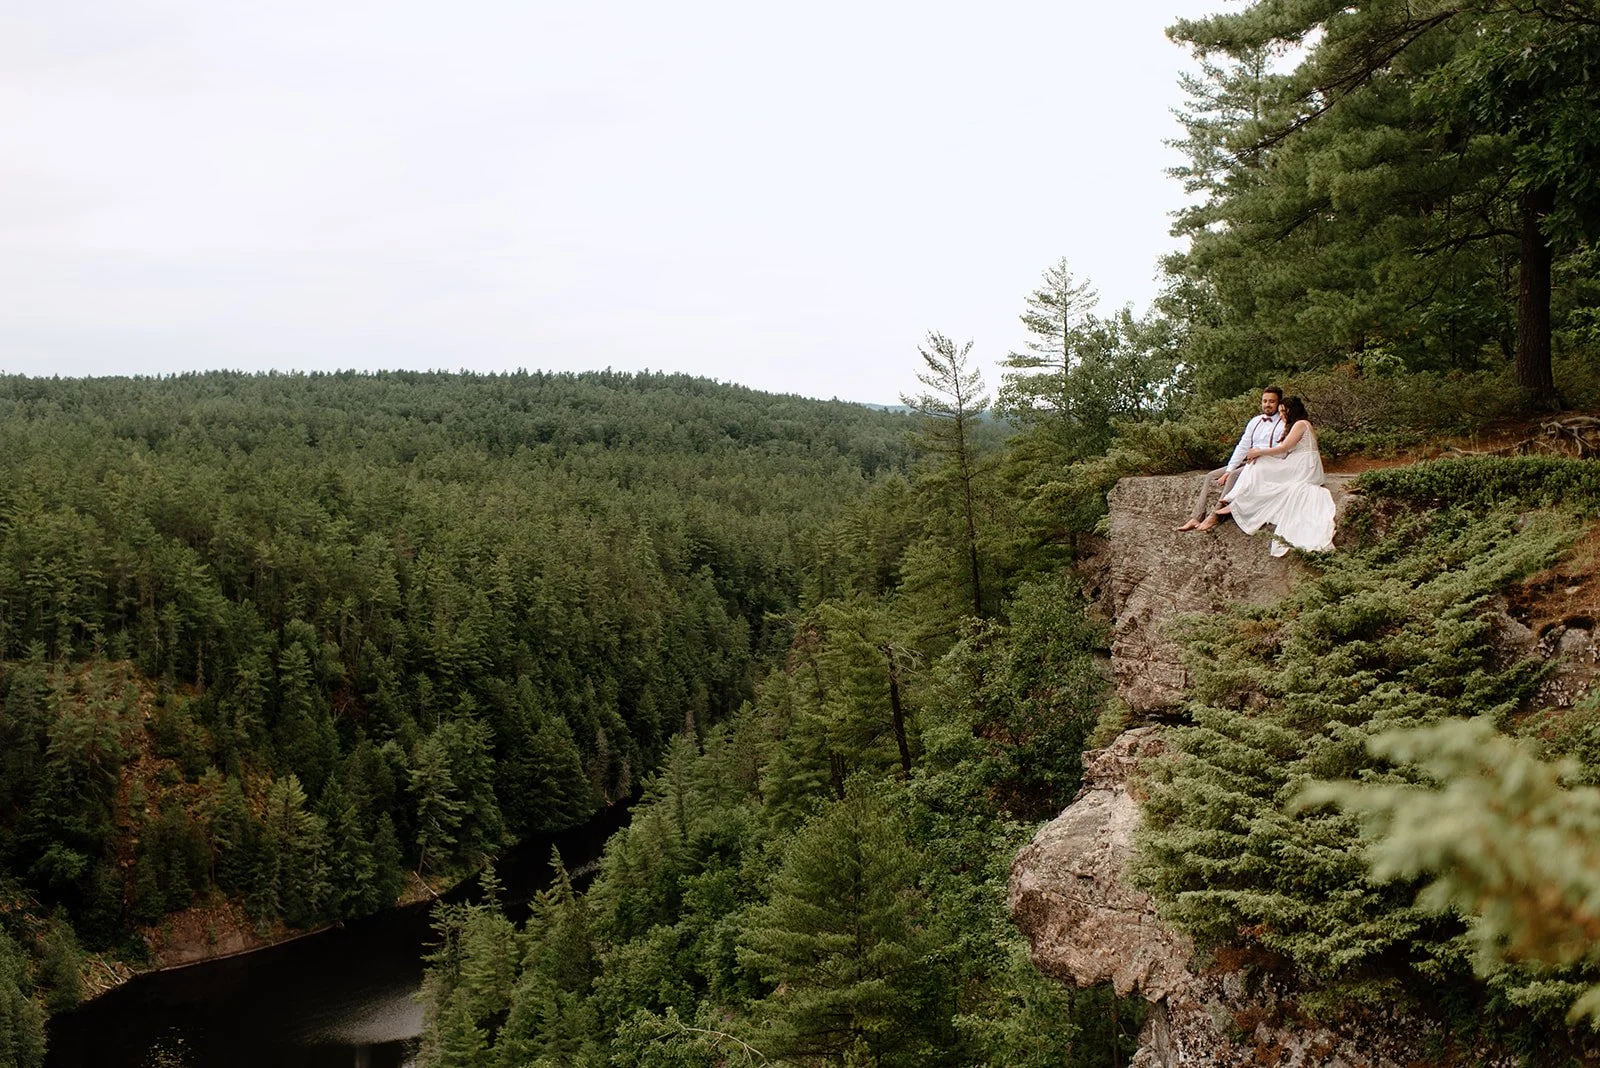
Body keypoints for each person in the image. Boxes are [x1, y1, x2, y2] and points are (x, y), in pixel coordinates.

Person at [1196, 396, 1335, 556]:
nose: (1281, 415)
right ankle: (1235, 501)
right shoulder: (1296, 425)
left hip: (1303, 466)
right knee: (1258, 464)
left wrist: (1259, 452)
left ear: (1292, 411)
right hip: (1298, 463)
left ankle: (1237, 502)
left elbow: (1284, 448)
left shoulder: (1300, 424)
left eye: (1284, 411)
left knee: (1259, 463)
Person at [1175, 387, 1284, 532]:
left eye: (1271, 401)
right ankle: (1196, 516)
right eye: (1264, 401)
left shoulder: (1284, 423)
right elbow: (1243, 446)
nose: (1267, 405)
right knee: (1211, 476)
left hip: (1267, 464)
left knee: (1234, 476)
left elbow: (1281, 450)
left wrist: (1256, 456)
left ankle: (1215, 516)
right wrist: (1229, 469)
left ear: (1279, 403)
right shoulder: (1255, 421)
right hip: (1250, 462)